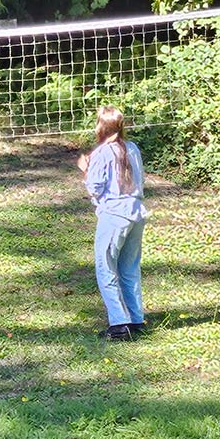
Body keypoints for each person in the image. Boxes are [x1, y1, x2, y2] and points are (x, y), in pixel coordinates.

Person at [77, 106, 148, 342]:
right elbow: (140, 179)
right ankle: (136, 319)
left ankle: (119, 324)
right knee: (129, 268)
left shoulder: (101, 153)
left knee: (105, 267)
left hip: (114, 215)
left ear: (100, 126)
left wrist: (85, 170)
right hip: (136, 213)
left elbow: (94, 188)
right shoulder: (133, 149)